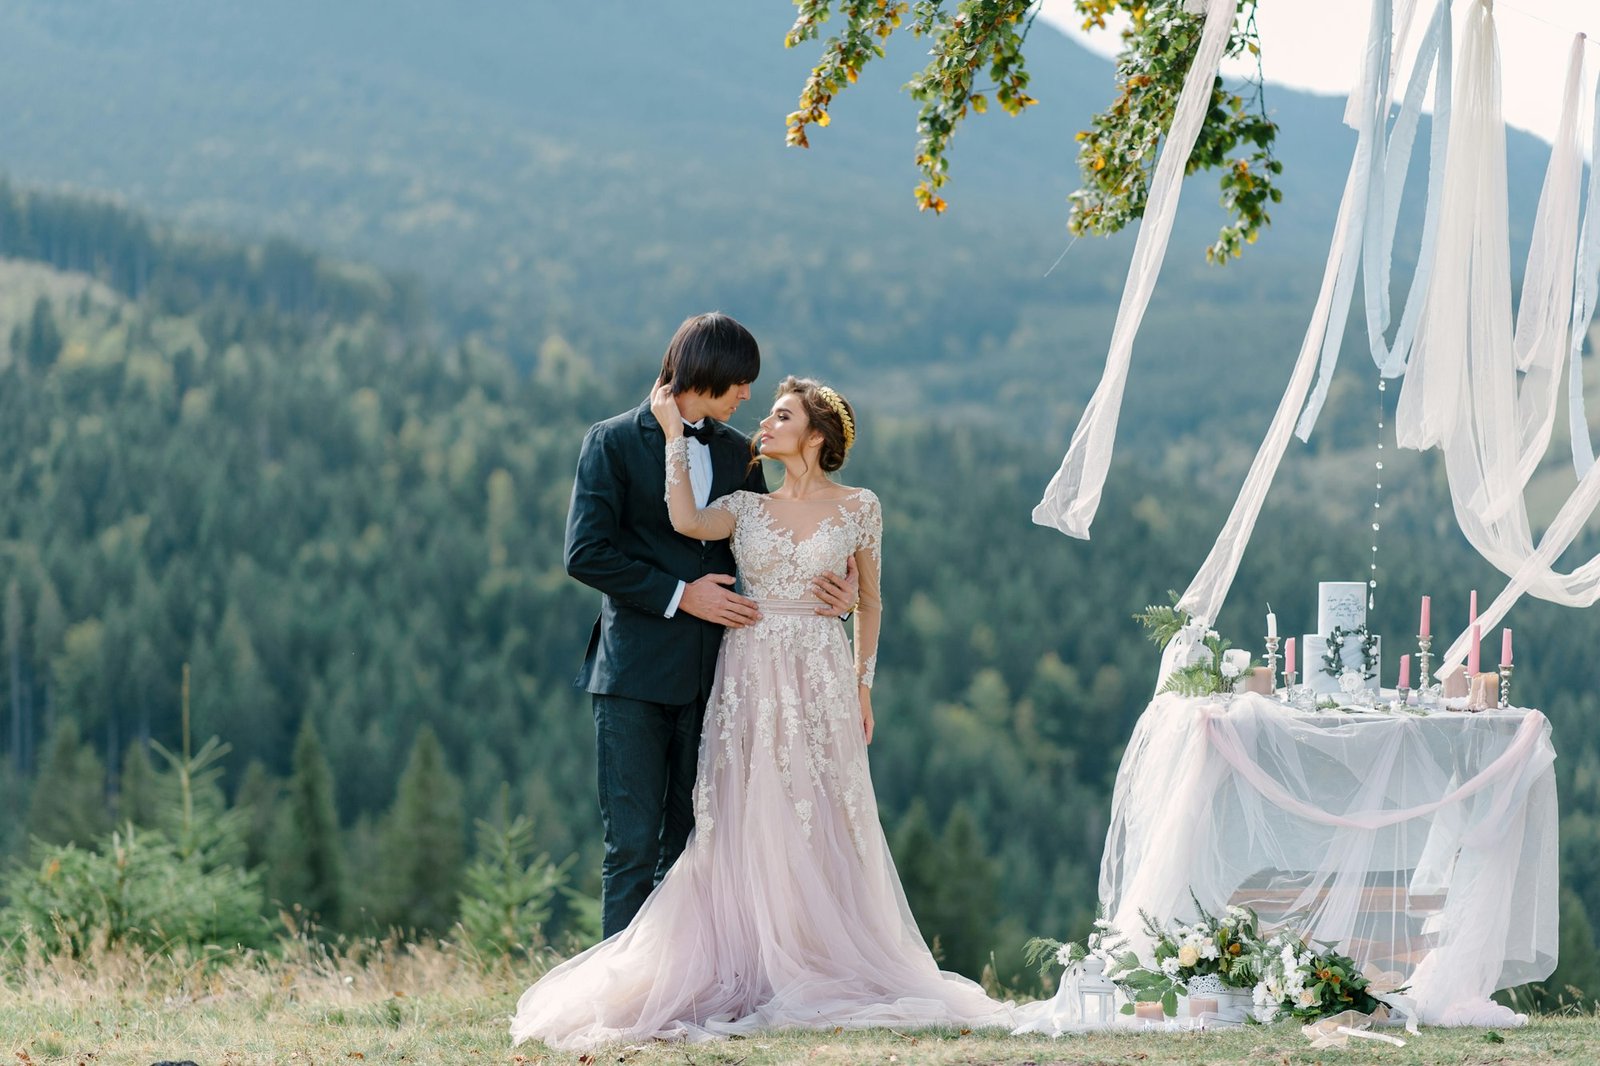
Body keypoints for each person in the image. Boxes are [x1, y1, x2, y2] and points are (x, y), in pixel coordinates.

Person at [512, 375, 1012, 1049]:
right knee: (740, 815)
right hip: (747, 669)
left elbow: (871, 600)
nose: (765, 425)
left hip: (820, 673)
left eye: (781, 417)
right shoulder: (746, 506)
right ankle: (733, 958)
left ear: (815, 437)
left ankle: (812, 956)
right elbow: (687, 521)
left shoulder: (861, 506)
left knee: (817, 814)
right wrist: (667, 437)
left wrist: (863, 686)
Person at [563, 312, 857, 938]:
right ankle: (625, 999)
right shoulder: (610, 441)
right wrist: (678, 595)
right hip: (633, 677)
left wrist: (841, 587)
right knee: (632, 850)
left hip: (722, 680)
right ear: (709, 375)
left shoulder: (737, 452)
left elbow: (780, 535)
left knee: (700, 847)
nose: (748, 396)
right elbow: (585, 554)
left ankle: (687, 992)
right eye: (740, 384)